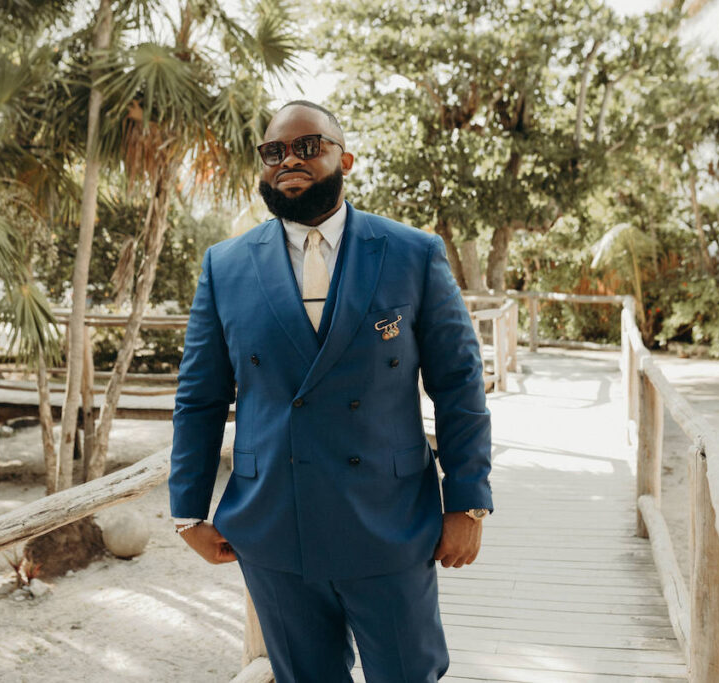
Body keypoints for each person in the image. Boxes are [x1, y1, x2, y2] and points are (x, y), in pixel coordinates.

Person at [168, 100, 493, 683]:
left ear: (346, 158)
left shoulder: (413, 253)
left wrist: (467, 500)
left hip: (389, 525)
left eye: (306, 146)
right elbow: (199, 397)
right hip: (274, 527)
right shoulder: (225, 266)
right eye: (274, 152)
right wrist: (187, 511)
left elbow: (459, 384)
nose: (288, 159)